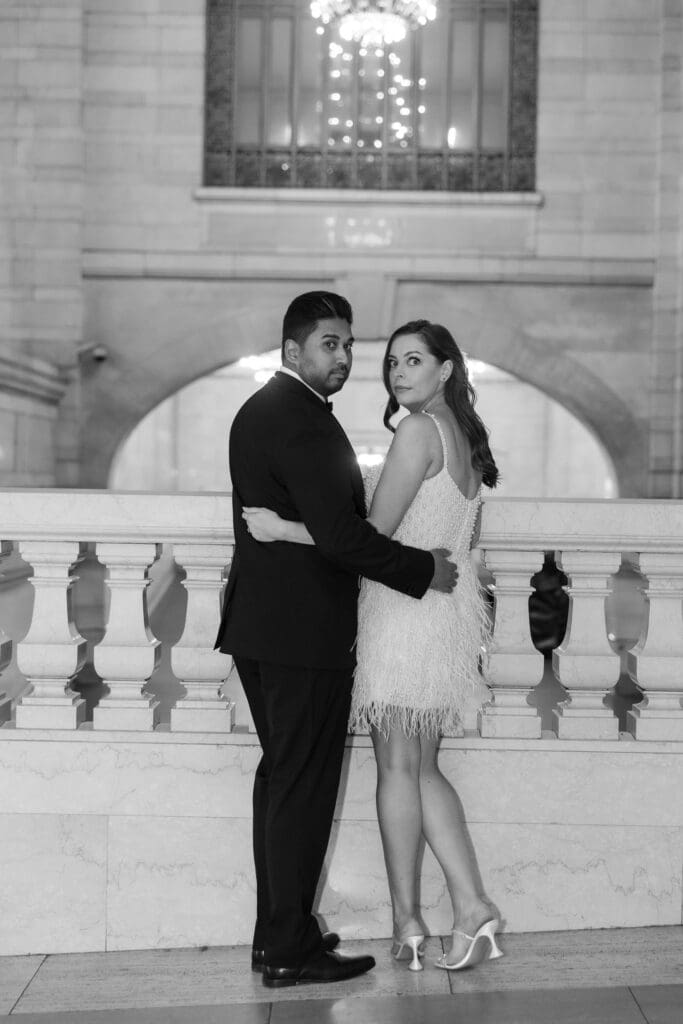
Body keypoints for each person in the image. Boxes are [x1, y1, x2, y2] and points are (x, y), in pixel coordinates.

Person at [244, 319, 503, 974]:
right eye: (391, 362)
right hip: (443, 615)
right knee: (421, 769)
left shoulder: (417, 431)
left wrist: (282, 527)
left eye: (413, 360)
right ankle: (461, 910)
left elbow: (368, 534)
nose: (398, 372)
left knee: (397, 769)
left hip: (400, 615)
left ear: (446, 368)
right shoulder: (466, 435)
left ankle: (419, 919)